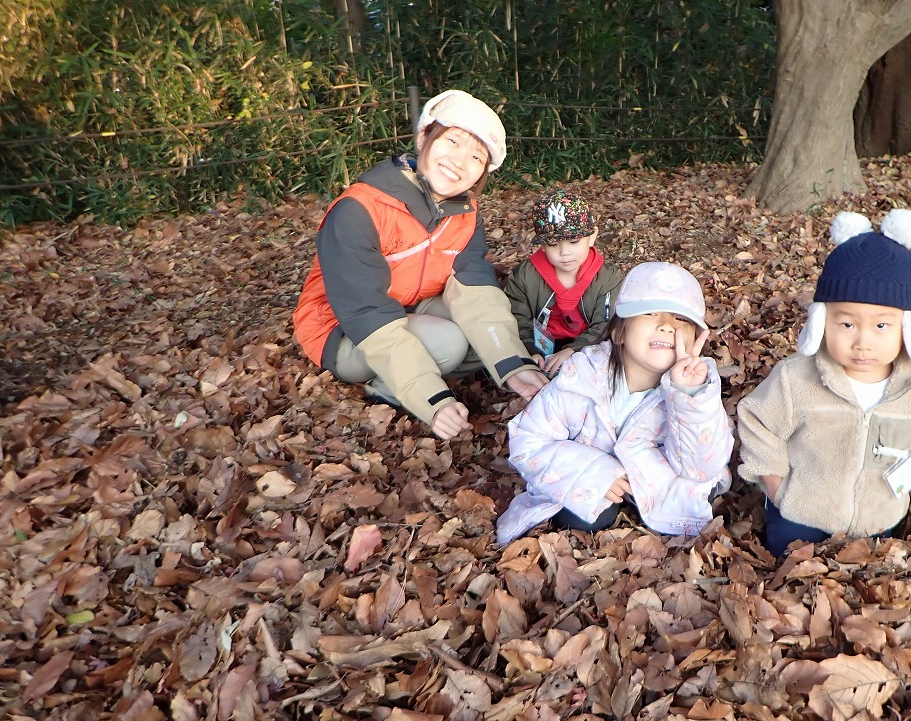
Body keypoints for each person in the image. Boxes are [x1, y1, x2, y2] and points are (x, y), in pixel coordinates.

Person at [291, 89, 548, 440]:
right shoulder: (359, 210)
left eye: (476, 156)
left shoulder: (464, 213)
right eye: (453, 141)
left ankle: (417, 368)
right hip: (341, 328)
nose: (460, 161)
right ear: (424, 136)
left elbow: (475, 291)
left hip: (410, 307)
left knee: (488, 337)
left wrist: (513, 365)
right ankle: (388, 389)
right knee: (450, 343)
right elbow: (367, 312)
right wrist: (433, 400)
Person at [736, 209, 911, 558]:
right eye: (847, 324)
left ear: (907, 328)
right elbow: (757, 419)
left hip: (878, 519)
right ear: (822, 321)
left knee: (866, 571)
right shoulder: (796, 378)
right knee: (790, 568)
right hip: (799, 514)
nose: (863, 342)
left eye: (881, 326)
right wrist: (774, 481)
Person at [496, 262, 734, 545]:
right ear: (619, 332)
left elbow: (701, 468)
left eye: (681, 319)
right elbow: (529, 441)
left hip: (660, 486)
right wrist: (595, 475)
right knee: (584, 515)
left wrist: (688, 396)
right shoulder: (579, 378)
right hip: (590, 478)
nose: (667, 326)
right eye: (650, 313)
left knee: (683, 503)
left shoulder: (696, 389)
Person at [505, 189, 625, 377]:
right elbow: (517, 316)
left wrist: (574, 350)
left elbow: (606, 323)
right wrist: (529, 349)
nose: (564, 252)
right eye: (553, 244)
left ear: (592, 236)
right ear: (543, 246)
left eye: (574, 241)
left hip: (589, 346)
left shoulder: (608, 277)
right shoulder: (526, 275)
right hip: (539, 346)